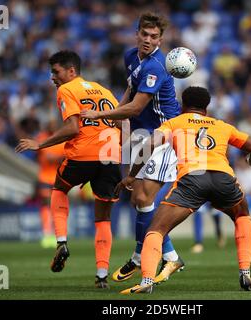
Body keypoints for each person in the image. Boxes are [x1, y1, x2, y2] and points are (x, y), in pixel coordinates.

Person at [115, 86, 251, 294]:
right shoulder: (222, 125)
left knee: (156, 230)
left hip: (193, 179)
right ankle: (245, 272)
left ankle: (147, 280)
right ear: (206, 107)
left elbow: (150, 144)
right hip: (223, 179)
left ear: (183, 105)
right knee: (242, 217)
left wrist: (132, 175)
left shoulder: (175, 122)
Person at [80, 12, 184, 284]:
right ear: (137, 34)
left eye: (154, 37)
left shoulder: (157, 66)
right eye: (144, 35)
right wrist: (116, 117)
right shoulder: (130, 57)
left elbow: (137, 106)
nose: (148, 40)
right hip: (141, 133)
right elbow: (129, 94)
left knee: (141, 199)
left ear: (160, 40)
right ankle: (170, 256)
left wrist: (101, 116)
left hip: (164, 134)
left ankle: (140, 257)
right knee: (139, 199)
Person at [15, 50, 122, 289]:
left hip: (83, 152)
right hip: (111, 155)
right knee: (103, 218)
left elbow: (73, 128)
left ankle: (61, 241)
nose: (52, 77)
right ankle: (102, 275)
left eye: (56, 71)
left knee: (59, 189)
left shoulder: (66, 89)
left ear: (71, 71)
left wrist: (40, 143)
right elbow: (121, 122)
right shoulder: (104, 90)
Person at [35, 119, 65, 249]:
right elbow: (48, 157)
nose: (52, 126)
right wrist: (61, 157)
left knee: (57, 207)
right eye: (50, 124)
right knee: (46, 204)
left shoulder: (62, 138)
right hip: (45, 178)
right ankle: (46, 234)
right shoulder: (42, 137)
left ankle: (55, 234)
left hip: (59, 178)